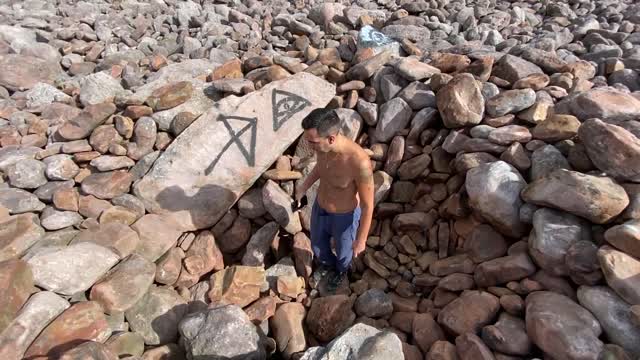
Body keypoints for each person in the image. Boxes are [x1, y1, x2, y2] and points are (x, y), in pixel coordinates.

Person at [295, 108, 375, 293]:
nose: (309, 146)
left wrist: (361, 240)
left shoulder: (358, 162)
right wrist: (303, 187)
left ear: (331, 138)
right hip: (320, 208)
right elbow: (320, 169)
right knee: (317, 245)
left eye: (312, 142)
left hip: (344, 217)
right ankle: (326, 264)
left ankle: (341, 272)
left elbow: (367, 205)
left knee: (344, 253)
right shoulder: (323, 147)